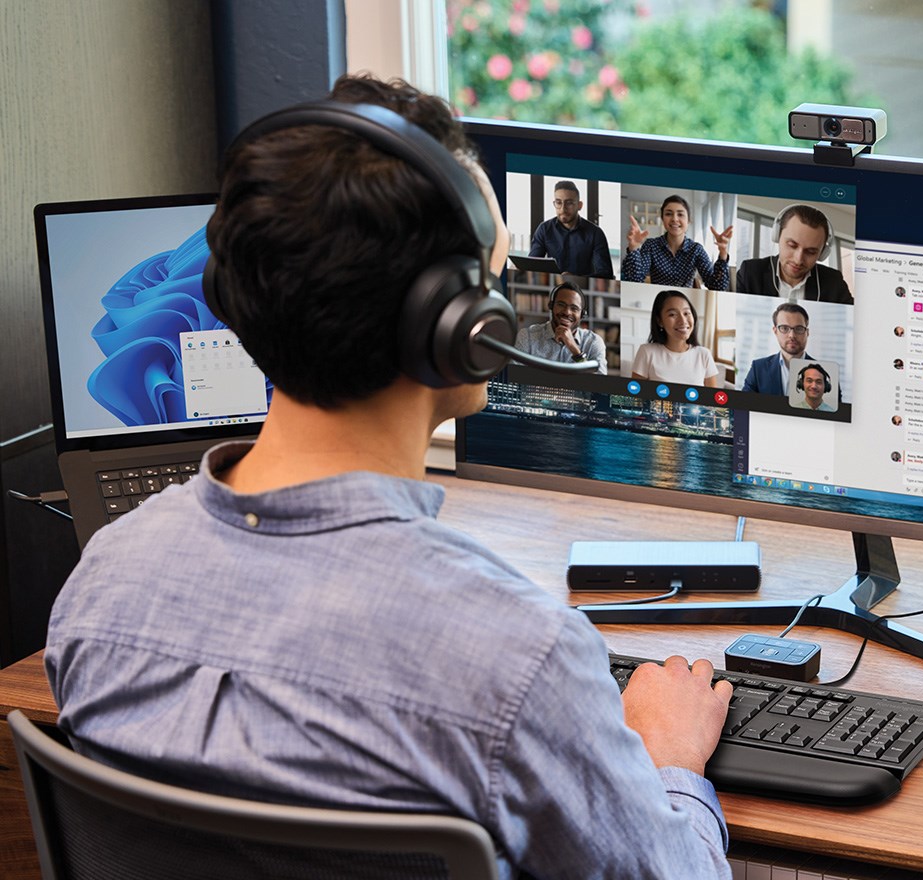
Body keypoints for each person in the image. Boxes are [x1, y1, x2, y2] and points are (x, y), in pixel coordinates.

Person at [43, 74, 734, 880]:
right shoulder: (520, 658)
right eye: (492, 275)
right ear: (459, 328)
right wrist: (670, 760)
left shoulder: (101, 587)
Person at [735, 204, 853, 304]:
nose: (798, 259)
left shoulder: (834, 282)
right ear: (777, 236)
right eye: (792, 245)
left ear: (822, 253)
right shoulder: (750, 273)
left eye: (811, 252)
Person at [621, 194, 732, 290]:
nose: (674, 219)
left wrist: (722, 253)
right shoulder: (651, 245)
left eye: (680, 214)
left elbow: (717, 286)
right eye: (668, 214)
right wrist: (634, 248)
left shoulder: (696, 249)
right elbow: (634, 280)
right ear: (663, 219)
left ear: (688, 221)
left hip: (684, 301)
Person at [514, 279, 608, 374]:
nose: (567, 312)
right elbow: (513, 377)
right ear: (551, 306)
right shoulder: (527, 336)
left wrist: (574, 349)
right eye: (561, 305)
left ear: (582, 314)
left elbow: (600, 386)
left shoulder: (593, 342)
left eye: (574, 308)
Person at [631, 289, 721, 387]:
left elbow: (712, 399)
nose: (682, 321)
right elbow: (636, 397)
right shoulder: (647, 351)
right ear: (659, 321)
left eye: (686, 313)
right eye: (672, 314)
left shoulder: (704, 354)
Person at [527, 180, 614, 278]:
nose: (563, 209)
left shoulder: (595, 233)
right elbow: (532, 265)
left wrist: (576, 279)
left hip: (583, 288)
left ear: (579, 205)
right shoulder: (544, 229)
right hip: (552, 286)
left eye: (569, 203)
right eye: (558, 202)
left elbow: (606, 274)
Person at [742, 302, 814, 395]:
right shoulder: (758, 368)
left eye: (799, 328)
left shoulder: (826, 372)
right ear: (775, 331)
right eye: (784, 328)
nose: (792, 335)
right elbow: (744, 404)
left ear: (807, 332)